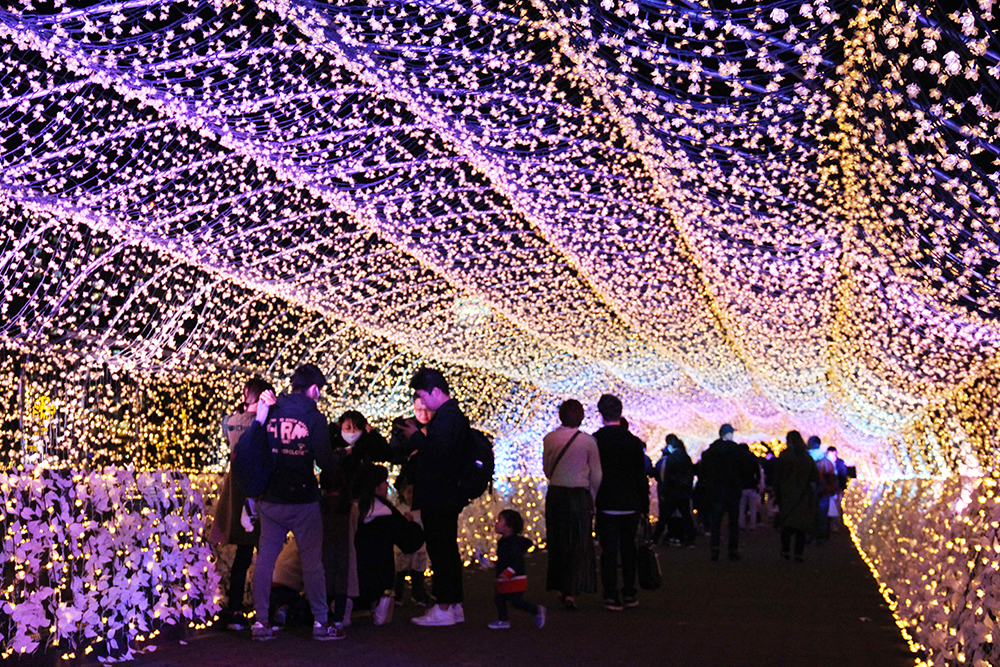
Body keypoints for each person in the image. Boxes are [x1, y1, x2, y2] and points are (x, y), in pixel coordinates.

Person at [250, 364, 344, 642]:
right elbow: (324, 462)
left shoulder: (272, 408)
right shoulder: (314, 417)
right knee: (312, 562)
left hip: (271, 498)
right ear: (314, 389)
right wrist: (340, 456)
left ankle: (261, 622)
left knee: (265, 561)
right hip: (303, 500)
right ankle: (321, 623)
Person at [404, 367, 471, 627]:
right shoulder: (453, 415)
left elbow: (437, 455)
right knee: (447, 549)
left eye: (422, 394)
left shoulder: (446, 417)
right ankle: (454, 605)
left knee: (440, 549)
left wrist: (415, 438)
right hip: (448, 493)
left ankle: (444, 606)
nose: (421, 401)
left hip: (439, 494)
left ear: (435, 391)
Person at [211, 377, 272, 630]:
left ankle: (235, 605)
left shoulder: (230, 421)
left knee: (242, 554)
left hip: (235, 488)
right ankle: (262, 611)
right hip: (258, 488)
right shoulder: (264, 423)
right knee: (264, 552)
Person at [542, 399, 601, 610]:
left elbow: (547, 469)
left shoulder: (550, 439)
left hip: (557, 493)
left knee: (558, 540)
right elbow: (597, 474)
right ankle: (573, 592)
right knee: (579, 542)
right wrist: (592, 497)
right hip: (579, 495)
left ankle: (560, 585)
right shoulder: (588, 442)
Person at [592, 394, 648, 610]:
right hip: (630, 503)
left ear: (601, 414)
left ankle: (610, 594)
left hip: (606, 502)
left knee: (608, 551)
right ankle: (630, 592)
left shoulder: (595, 440)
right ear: (621, 413)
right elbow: (640, 476)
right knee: (628, 549)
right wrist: (644, 505)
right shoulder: (633, 442)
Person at [353, 464, 425, 626]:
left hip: (350, 576)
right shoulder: (386, 513)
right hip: (379, 577)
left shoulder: (353, 511)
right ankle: (379, 603)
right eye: (384, 481)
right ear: (376, 487)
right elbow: (409, 541)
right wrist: (412, 524)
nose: (387, 485)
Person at [698, 424, 756, 561]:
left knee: (716, 522)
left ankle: (715, 549)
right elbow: (746, 468)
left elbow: (703, 471)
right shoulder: (736, 451)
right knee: (733, 522)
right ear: (729, 434)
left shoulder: (710, 452)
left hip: (716, 490)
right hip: (733, 490)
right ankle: (732, 550)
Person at [489, 509, 546, 630]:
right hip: (506, 577)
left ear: (509, 527)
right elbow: (504, 560)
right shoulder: (503, 542)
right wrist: (496, 565)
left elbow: (516, 561)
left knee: (515, 600)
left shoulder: (513, 544)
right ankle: (503, 620)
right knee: (500, 598)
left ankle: (536, 610)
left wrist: (509, 571)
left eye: (500, 521)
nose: (496, 523)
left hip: (515, 578)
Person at [774, 431, 819, 562]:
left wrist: (777, 493)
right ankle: (798, 553)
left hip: (787, 494)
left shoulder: (784, 456)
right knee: (801, 526)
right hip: (803, 495)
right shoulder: (806, 457)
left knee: (787, 523)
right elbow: (814, 477)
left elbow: (777, 476)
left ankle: (785, 550)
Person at [393, 476, 431, 607]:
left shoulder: (421, 510)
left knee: (418, 573)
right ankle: (397, 596)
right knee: (400, 572)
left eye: (413, 492)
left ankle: (418, 594)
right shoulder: (399, 509)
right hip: (403, 547)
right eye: (408, 492)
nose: (410, 495)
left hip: (419, 546)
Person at [653, 434, 696, 547]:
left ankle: (655, 538)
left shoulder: (671, 458)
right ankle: (690, 538)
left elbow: (667, 476)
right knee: (686, 515)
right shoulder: (686, 457)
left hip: (672, 491)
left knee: (664, 516)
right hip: (684, 491)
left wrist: (665, 491)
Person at [334, 410, 392, 489]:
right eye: (348, 428)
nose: (352, 431)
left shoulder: (367, 445)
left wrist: (373, 435)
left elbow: (385, 455)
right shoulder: (333, 443)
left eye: (356, 428)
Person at [816, 446, 842, 544]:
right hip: (826, 489)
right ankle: (824, 534)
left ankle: (822, 534)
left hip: (822, 489)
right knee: (824, 512)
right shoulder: (828, 463)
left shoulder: (824, 463)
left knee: (822, 512)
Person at [738, 444, 763, 531]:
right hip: (752, 486)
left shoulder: (739, 460)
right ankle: (752, 525)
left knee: (741, 507)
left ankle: (742, 525)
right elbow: (758, 474)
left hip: (742, 487)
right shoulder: (753, 460)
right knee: (753, 507)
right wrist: (756, 483)